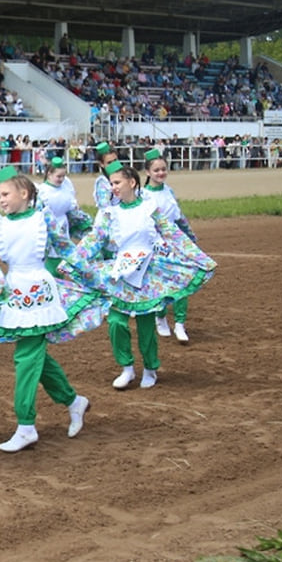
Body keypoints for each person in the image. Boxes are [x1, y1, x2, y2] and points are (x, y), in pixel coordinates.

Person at [0, 166, 103, 452]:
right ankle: (73, 401)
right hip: (15, 291)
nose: (0, 199)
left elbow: (66, 249)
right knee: (35, 355)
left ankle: (26, 425)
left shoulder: (43, 220)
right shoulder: (0, 225)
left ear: (24, 193)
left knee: (26, 357)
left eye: (5, 194)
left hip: (39, 292)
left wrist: (94, 278)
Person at [67, 161, 216, 391]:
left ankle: (150, 368)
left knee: (146, 324)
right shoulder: (110, 213)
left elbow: (172, 233)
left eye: (117, 182)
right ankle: (126, 368)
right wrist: (75, 260)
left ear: (132, 182)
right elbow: (95, 239)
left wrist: (197, 256)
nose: (113, 187)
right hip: (120, 272)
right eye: (111, 183)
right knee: (116, 322)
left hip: (147, 273)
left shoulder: (149, 208)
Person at [142, 148, 198, 343]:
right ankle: (160, 317)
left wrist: (189, 237)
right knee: (161, 284)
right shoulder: (143, 195)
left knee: (183, 282)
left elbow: (179, 216)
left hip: (175, 241)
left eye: (163, 169)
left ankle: (180, 324)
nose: (160, 173)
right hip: (156, 245)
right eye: (156, 170)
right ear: (148, 172)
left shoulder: (169, 191)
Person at [92, 142, 119, 210]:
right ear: (101, 164)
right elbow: (105, 207)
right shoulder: (103, 183)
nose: (113, 165)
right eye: (109, 163)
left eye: (115, 161)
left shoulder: (125, 177)